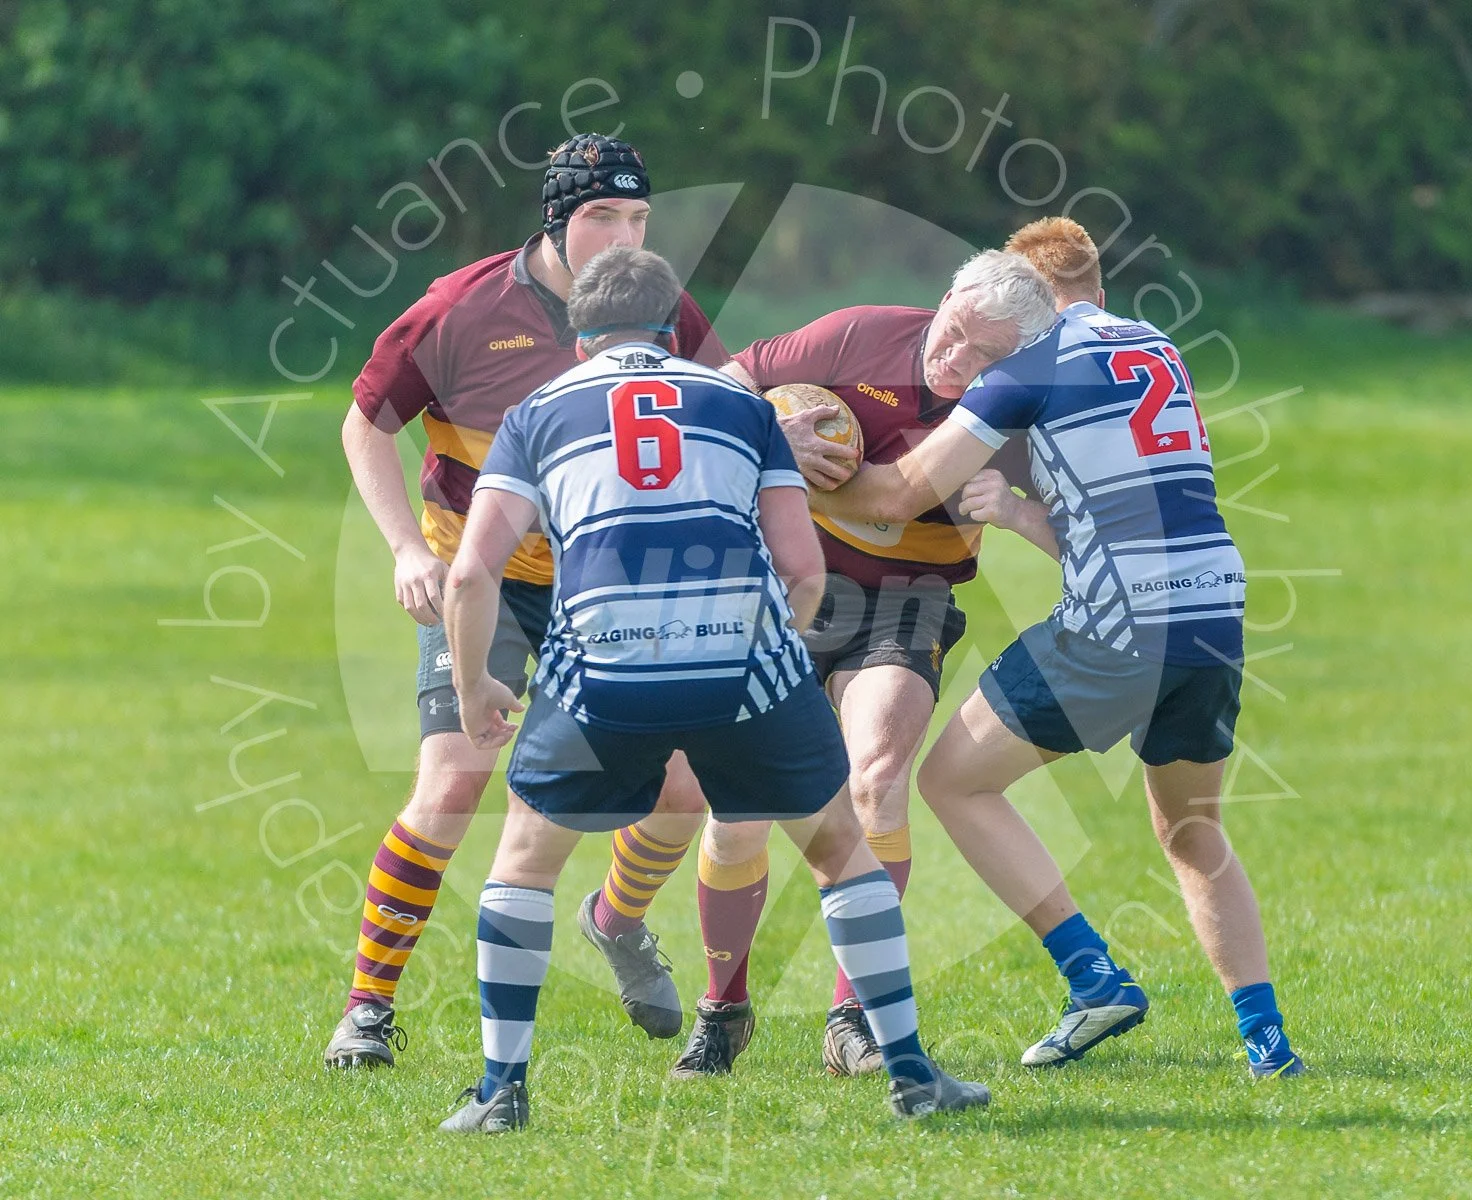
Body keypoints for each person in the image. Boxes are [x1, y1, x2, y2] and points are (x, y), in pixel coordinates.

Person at [435, 246, 989, 1132]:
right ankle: (914, 1075)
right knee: (843, 849)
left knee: (523, 866)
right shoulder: (740, 405)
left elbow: (470, 578)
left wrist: (474, 689)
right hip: (745, 666)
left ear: (578, 342)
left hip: (600, 669)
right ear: (673, 329)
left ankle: (501, 1093)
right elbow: (802, 569)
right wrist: (767, 653)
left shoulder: (536, 413)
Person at [811, 219, 1304, 1079]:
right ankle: (1268, 1045)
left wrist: (792, 465)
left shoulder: (1026, 369)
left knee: (952, 780)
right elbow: (1128, 511)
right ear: (1097, 289)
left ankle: (1093, 975)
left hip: (1119, 627)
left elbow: (897, 494)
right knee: (1192, 832)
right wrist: (1012, 511)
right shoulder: (1155, 349)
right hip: (1215, 610)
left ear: (1026, 303)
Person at [324, 134, 726, 1070]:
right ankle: (368, 1010)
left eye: (638, 218)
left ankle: (616, 921)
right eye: (602, 218)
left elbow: (718, 402)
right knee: (457, 780)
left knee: (682, 786)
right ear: (555, 219)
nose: (626, 237)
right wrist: (399, 552)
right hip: (482, 576)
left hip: (604, 583)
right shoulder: (463, 311)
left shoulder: (660, 305)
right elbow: (365, 424)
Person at [669, 257, 1046, 1079]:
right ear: (942, 298)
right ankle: (722, 1008)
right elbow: (715, 392)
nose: (957, 365)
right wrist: (772, 432)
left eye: (985, 357)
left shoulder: (1028, 406)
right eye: (954, 336)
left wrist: (1018, 512)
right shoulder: (859, 334)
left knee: (876, 774)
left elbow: (1083, 523)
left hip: (911, 598)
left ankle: (854, 1017)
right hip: (792, 588)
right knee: (739, 809)